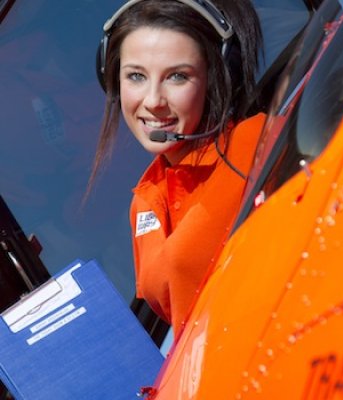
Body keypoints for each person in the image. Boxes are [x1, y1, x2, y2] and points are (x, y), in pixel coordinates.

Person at [89, 0, 266, 335]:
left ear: (217, 77)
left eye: (178, 76)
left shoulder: (256, 145)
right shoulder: (145, 200)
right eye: (136, 76)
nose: (153, 100)